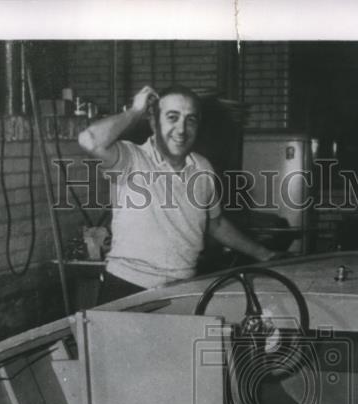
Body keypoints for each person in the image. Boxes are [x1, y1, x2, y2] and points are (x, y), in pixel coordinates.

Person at [78, 85, 276, 302]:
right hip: (127, 288)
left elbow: (215, 224)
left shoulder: (202, 167)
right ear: (153, 122)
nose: (181, 130)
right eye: (172, 117)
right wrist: (135, 111)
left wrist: (263, 254)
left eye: (190, 119)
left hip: (183, 288)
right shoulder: (131, 158)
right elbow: (90, 140)